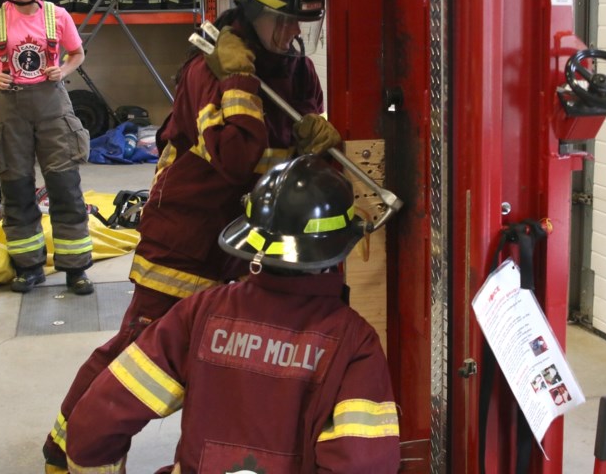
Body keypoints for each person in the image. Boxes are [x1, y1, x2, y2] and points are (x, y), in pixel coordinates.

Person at [43, 0, 342, 469]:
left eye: (300, 24)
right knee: (140, 354)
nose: (295, 35)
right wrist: (241, 81)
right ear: (250, 12)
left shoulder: (296, 71)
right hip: (184, 238)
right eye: (284, 22)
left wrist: (316, 145)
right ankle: (69, 445)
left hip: (242, 238)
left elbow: (286, 156)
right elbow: (236, 156)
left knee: (215, 357)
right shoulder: (209, 71)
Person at [64, 155, 400, 474]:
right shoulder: (353, 341)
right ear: (340, 248)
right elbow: (361, 464)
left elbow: (95, 423)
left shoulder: (200, 312)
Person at [0, 0, 94, 295]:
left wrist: (63, 69)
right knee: (17, 190)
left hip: (53, 106)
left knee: (65, 188)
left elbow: (78, 53)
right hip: (11, 109)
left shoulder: (57, 15)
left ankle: (76, 269)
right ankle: (29, 267)